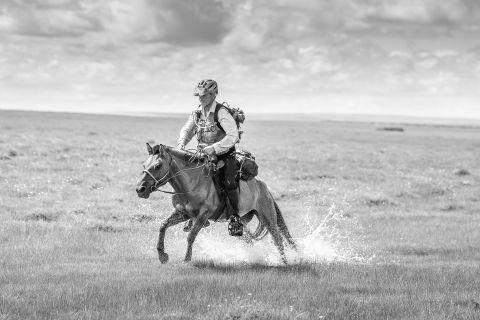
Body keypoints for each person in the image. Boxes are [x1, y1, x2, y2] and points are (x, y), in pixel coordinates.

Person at [176, 79, 243, 236]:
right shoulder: (197, 112)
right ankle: (194, 212)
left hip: (225, 155)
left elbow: (233, 136)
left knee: (229, 182)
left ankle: (234, 218)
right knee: (189, 178)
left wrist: (213, 148)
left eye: (204, 95)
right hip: (203, 155)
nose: (201, 98)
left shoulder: (221, 112)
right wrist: (181, 144)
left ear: (214, 95)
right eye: (199, 95)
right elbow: (187, 130)